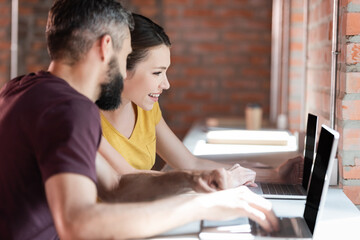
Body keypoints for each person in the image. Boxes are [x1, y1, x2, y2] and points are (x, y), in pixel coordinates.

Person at [0, 1, 279, 239]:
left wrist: (195, 181)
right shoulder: (71, 109)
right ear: (105, 47)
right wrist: (203, 207)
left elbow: (115, 185)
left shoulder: (22, 89)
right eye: (124, 56)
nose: (123, 71)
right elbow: (79, 224)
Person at [99, 13, 303, 187]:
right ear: (122, 67)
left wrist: (276, 175)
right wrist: (206, 180)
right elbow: (126, 179)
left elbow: (190, 163)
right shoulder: (86, 115)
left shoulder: (145, 108)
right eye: (157, 73)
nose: (166, 84)